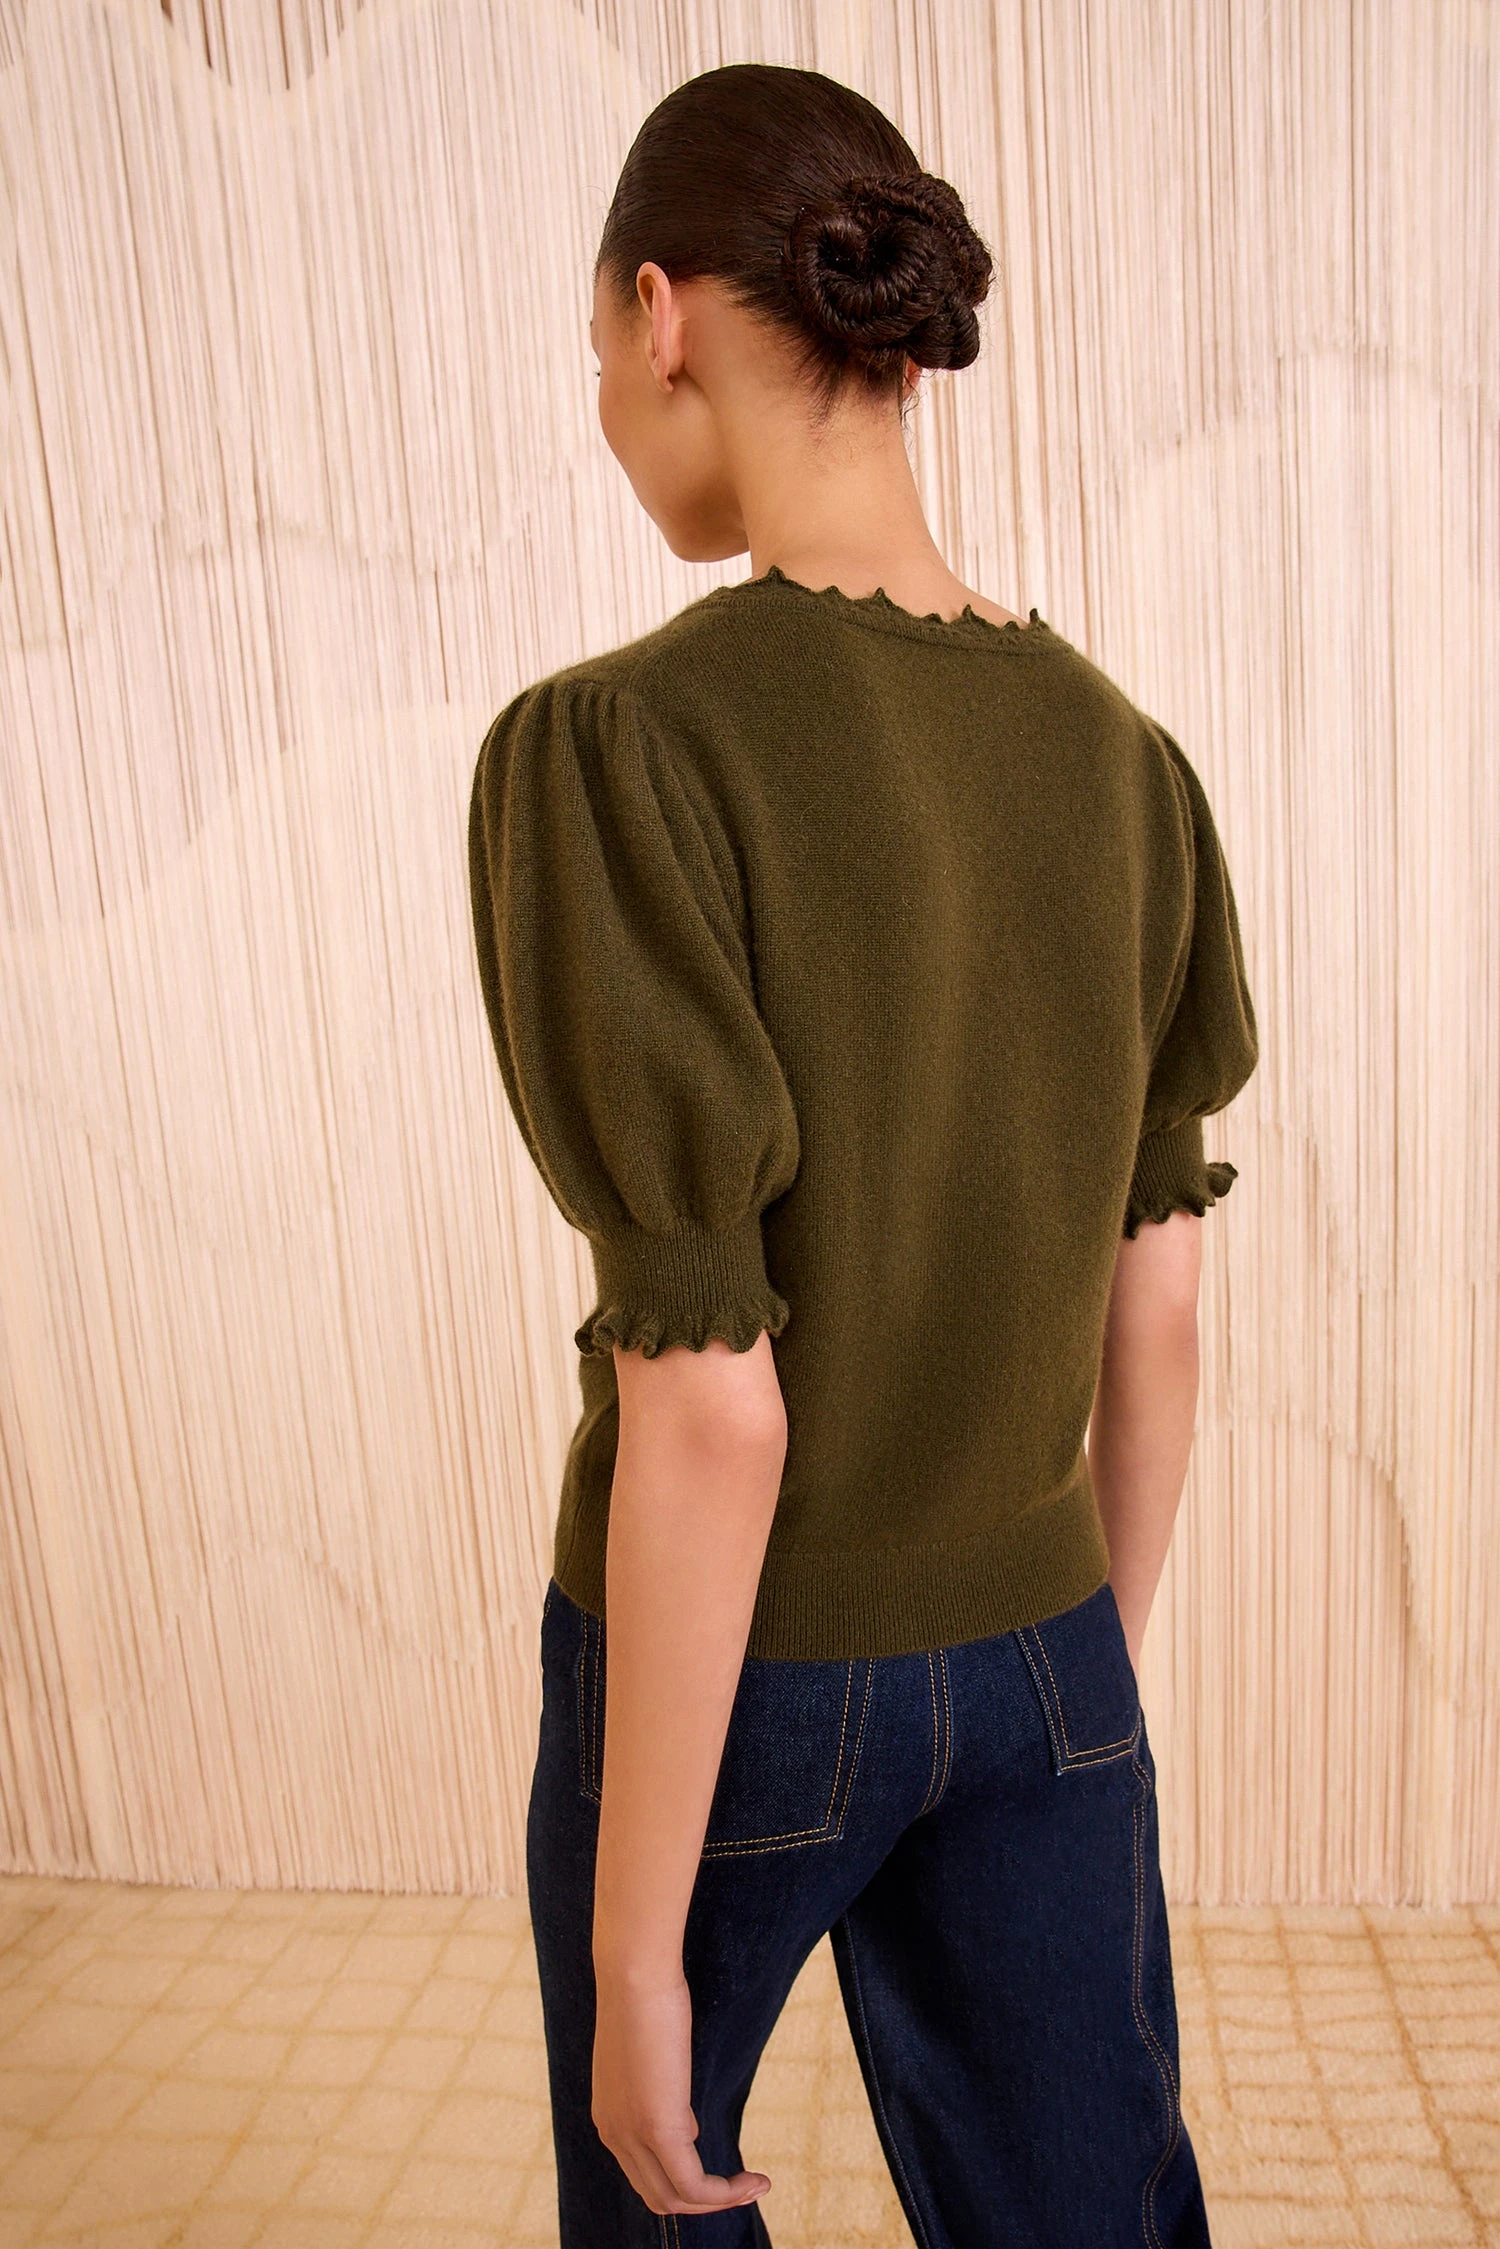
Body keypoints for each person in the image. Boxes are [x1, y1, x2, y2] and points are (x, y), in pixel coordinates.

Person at [467, 60, 1258, 2249]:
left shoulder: (618, 747)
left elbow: (712, 1399)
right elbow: (1162, 1297)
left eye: (596, 348)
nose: (607, 399)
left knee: (664, 2188)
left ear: (661, 316)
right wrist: (1074, 1678)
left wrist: (636, 1960)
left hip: (739, 1679)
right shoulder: (1127, 762)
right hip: (1048, 1640)